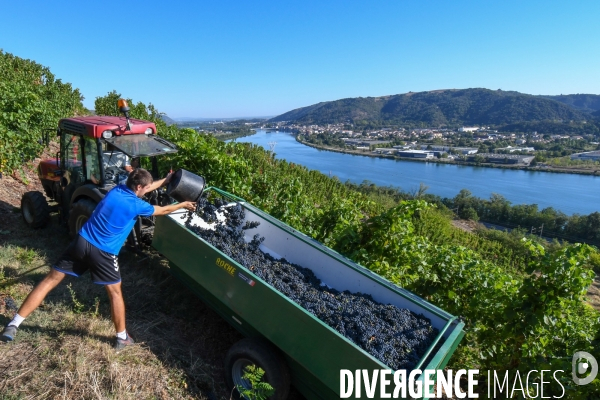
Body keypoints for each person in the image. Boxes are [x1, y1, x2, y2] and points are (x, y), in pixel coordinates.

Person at [1, 168, 196, 350]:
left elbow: (147, 186)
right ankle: (122, 338)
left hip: (81, 241)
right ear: (138, 187)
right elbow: (162, 211)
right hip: (103, 253)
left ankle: (13, 324)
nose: (146, 191)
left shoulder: (118, 189)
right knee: (115, 294)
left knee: (49, 280)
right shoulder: (137, 205)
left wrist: (166, 180)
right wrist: (182, 204)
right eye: (144, 188)